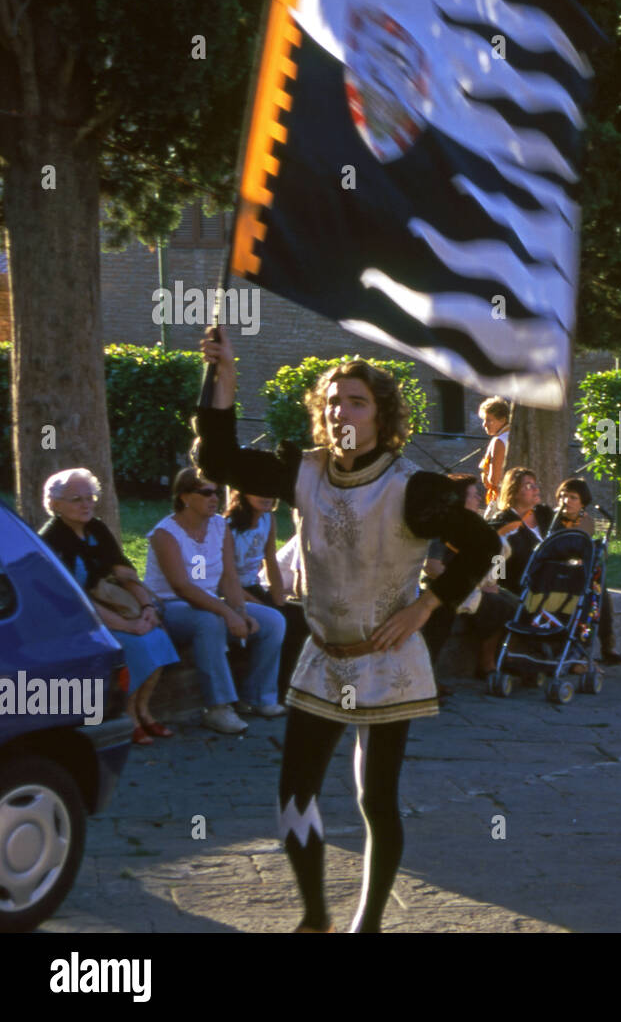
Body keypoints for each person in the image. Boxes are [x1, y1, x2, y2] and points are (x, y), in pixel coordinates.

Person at [196, 327, 498, 933]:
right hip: (324, 657)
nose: (341, 410)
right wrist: (222, 375)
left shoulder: (414, 487)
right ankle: (315, 918)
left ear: (381, 415)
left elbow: (483, 546)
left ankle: (368, 922)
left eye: (356, 400)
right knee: (293, 797)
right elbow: (218, 460)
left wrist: (426, 606)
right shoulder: (301, 471)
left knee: (375, 799)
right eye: (333, 400)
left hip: (390, 663)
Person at [39, 468, 180, 746]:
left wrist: (147, 607)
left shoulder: (97, 529)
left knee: (158, 635)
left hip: (112, 608)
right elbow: (74, 599)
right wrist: (128, 625)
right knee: (136, 644)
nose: (86, 504)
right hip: (75, 619)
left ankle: (144, 708)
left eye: (90, 496)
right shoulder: (51, 539)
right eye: (77, 498)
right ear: (55, 504)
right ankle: (129, 715)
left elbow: (125, 573)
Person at [143, 468, 286, 735]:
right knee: (208, 621)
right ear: (185, 497)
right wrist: (228, 614)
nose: (214, 498)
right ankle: (218, 708)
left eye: (217, 493)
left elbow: (229, 577)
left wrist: (240, 611)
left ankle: (257, 697)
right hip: (169, 607)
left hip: (210, 601)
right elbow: (182, 587)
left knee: (273, 621)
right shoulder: (166, 533)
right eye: (206, 492)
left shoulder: (220, 526)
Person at [423, 473, 519, 681]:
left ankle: (508, 658)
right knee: (498, 606)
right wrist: (472, 586)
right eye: (474, 495)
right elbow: (432, 567)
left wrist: (489, 582)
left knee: (513, 602)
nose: (478, 499)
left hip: (472, 586)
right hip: (442, 589)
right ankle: (487, 665)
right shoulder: (444, 526)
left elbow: (497, 560)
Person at [226, 490, 311, 703]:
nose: (267, 496)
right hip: (232, 591)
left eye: (270, 491)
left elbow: (270, 562)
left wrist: (278, 598)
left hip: (254, 587)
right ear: (243, 493)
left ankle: (287, 690)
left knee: (299, 618)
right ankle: (257, 695)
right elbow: (226, 576)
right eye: (258, 491)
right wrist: (262, 605)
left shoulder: (267, 519)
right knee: (274, 620)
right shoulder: (227, 527)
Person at [555, 477, 621, 664]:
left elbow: (583, 550)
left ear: (583, 502)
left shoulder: (586, 521)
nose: (565, 501)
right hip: (555, 573)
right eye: (562, 496)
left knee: (600, 591)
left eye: (572, 497)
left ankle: (607, 645)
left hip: (579, 572)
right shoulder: (553, 519)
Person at [487, 467, 554, 596]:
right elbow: (497, 562)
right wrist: (498, 588)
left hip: (551, 586)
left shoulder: (545, 514)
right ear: (514, 492)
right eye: (529, 486)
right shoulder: (501, 523)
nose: (536, 489)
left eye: (535, 485)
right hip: (519, 591)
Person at [477, 396, 511, 513]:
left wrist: (485, 476)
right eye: (484, 420)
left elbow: (494, 479)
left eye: (489, 420)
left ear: (502, 420)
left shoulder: (499, 441)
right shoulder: (513, 436)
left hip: (501, 497)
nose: (484, 425)